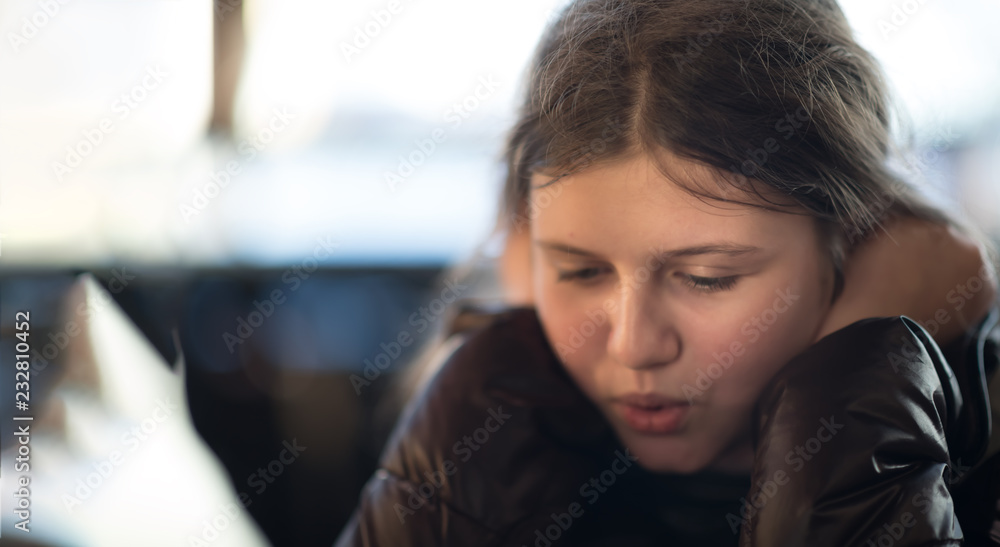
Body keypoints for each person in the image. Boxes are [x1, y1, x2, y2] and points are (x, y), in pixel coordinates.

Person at [336, 0, 1000, 545]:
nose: (633, 344)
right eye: (580, 270)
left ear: (852, 240)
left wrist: (859, 379)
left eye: (708, 277)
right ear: (523, 245)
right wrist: (477, 421)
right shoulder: (482, 417)